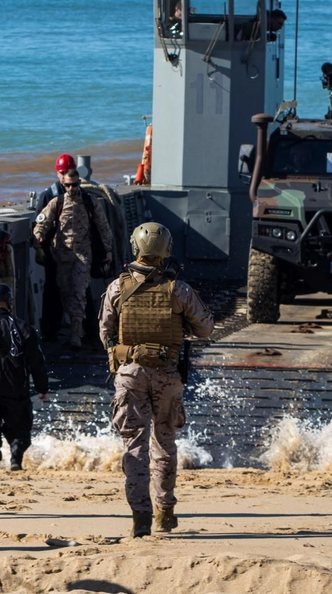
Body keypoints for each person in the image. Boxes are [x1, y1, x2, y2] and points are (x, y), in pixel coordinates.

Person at [100, 222, 215, 538]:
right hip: (167, 374)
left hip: (130, 373)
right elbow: (206, 328)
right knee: (164, 442)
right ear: (167, 251)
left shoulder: (116, 288)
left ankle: (140, 517)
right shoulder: (179, 289)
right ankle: (165, 512)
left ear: (136, 248)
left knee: (134, 446)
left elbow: (105, 332)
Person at [34, 164, 115, 348]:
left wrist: (108, 251)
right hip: (61, 256)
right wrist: (38, 235)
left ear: (79, 184)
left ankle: (76, 336)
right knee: (65, 293)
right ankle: (75, 329)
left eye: (75, 185)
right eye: (68, 185)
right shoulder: (57, 202)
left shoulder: (90, 202)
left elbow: (103, 227)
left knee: (78, 292)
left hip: (82, 255)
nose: (71, 189)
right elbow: (42, 221)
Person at [0, 283, 48, 471]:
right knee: (20, 427)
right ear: (9, 301)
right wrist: (42, 388)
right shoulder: (23, 327)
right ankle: (16, 459)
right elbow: (37, 362)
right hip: (15, 388)